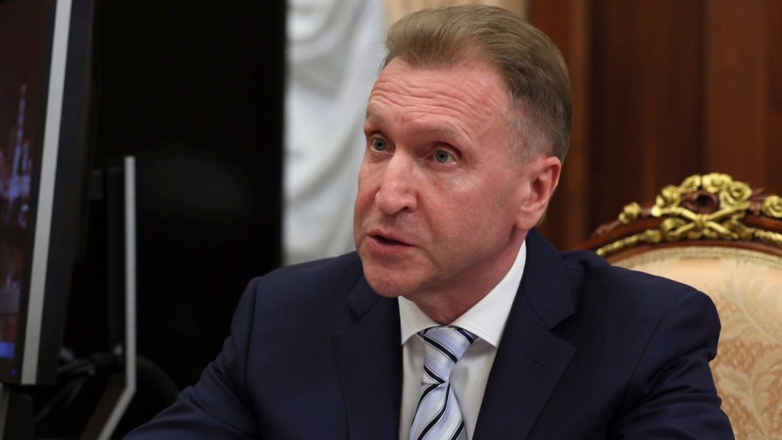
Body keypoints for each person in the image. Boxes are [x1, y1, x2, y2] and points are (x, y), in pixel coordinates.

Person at [126, 5, 733, 439]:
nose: (388, 194)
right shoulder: (283, 318)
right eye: (379, 144)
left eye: (442, 155)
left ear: (534, 191)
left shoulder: (641, 338)